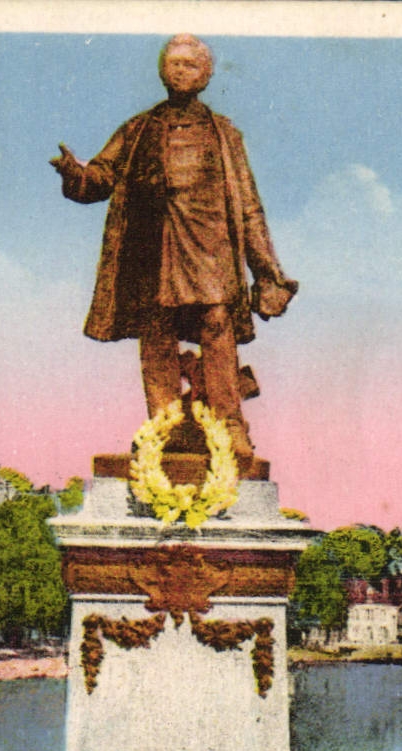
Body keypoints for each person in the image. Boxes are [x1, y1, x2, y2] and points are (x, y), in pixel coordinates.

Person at [51, 34, 296, 461]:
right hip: (151, 247)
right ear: (161, 70)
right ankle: (163, 423)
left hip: (209, 249)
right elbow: (101, 177)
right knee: (157, 331)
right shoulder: (138, 128)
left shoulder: (224, 134)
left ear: (207, 74)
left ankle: (229, 425)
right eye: (173, 62)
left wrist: (267, 272)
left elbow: (248, 206)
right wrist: (76, 174)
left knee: (216, 325)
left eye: (190, 64)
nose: (180, 70)